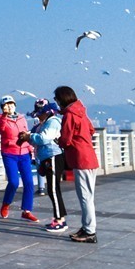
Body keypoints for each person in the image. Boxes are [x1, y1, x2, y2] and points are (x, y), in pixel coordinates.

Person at [56, 86, 99, 244]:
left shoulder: (69, 114)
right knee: (88, 196)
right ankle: (86, 227)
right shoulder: (81, 111)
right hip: (89, 158)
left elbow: (65, 139)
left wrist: (59, 141)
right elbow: (91, 130)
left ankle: (89, 231)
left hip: (81, 159)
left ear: (62, 99)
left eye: (56, 99)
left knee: (85, 197)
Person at [21, 99, 67, 232]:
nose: (38, 116)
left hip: (53, 156)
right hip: (47, 157)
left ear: (47, 112)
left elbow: (44, 138)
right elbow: (37, 138)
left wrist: (30, 137)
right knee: (53, 189)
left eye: (40, 114)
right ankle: (60, 218)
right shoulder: (44, 123)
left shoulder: (53, 122)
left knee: (53, 190)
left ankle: (59, 220)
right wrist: (29, 137)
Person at [0, 95, 36, 222]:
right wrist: (4, 115)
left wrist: (31, 150)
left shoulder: (22, 118)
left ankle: (27, 211)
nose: (10, 106)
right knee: (13, 182)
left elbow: (26, 133)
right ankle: (6, 204)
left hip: (24, 153)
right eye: (6, 105)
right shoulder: (0, 118)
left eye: (11, 104)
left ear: (15, 105)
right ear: (2, 107)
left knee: (29, 182)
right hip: (9, 153)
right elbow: (0, 127)